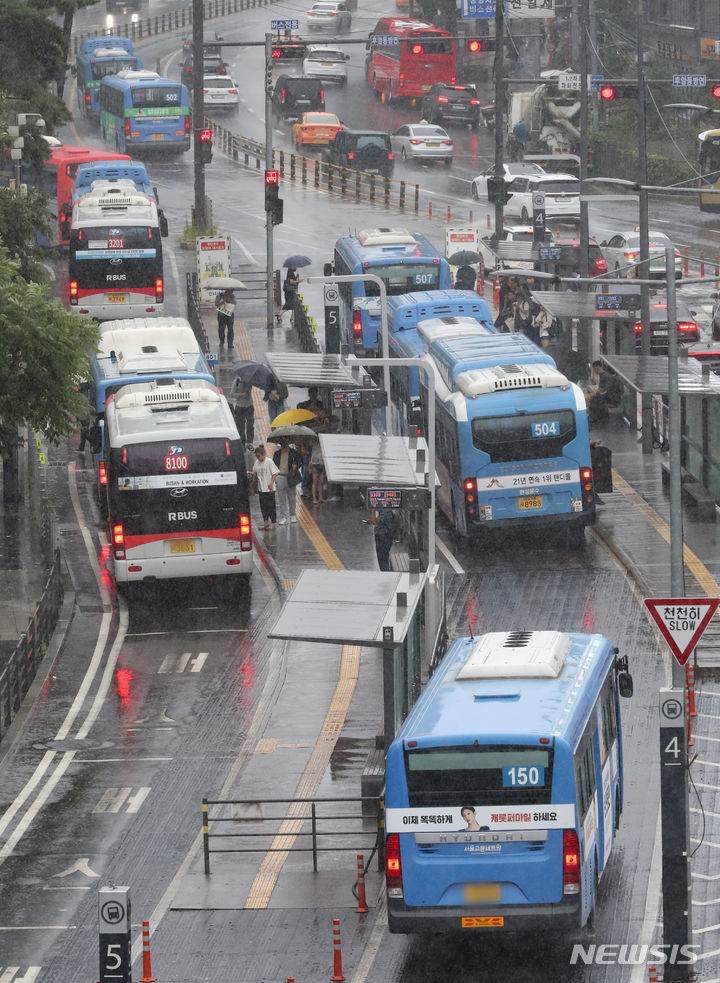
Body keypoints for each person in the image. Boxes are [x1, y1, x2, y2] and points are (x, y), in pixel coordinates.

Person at [273, 442, 302, 524]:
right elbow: (274, 464)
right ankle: (283, 517)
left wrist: (296, 466)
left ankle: (292, 515)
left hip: (291, 477)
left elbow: (300, 462)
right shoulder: (277, 454)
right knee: (281, 499)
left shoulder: (294, 453)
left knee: (292, 498)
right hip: (280, 476)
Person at [252, 444, 279, 530]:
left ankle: (273, 523)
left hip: (269, 489)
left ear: (263, 454)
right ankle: (265, 522)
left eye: (259, 456)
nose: (258, 458)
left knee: (271, 506)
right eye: (257, 456)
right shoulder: (257, 462)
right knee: (263, 506)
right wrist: (251, 473)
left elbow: (275, 473)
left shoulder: (269, 461)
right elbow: (255, 471)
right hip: (261, 488)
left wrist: (271, 483)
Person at [230, 377, 254, 446]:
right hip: (240, 407)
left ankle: (250, 442)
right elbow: (232, 394)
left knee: (250, 425)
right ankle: (242, 442)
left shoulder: (250, 381)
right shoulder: (236, 381)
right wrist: (240, 395)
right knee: (240, 426)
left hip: (249, 406)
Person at [310, 439, 327, 504]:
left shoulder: (324, 440)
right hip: (314, 463)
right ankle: (314, 498)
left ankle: (320, 497)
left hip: (322, 462)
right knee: (315, 481)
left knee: (321, 481)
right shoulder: (313, 441)